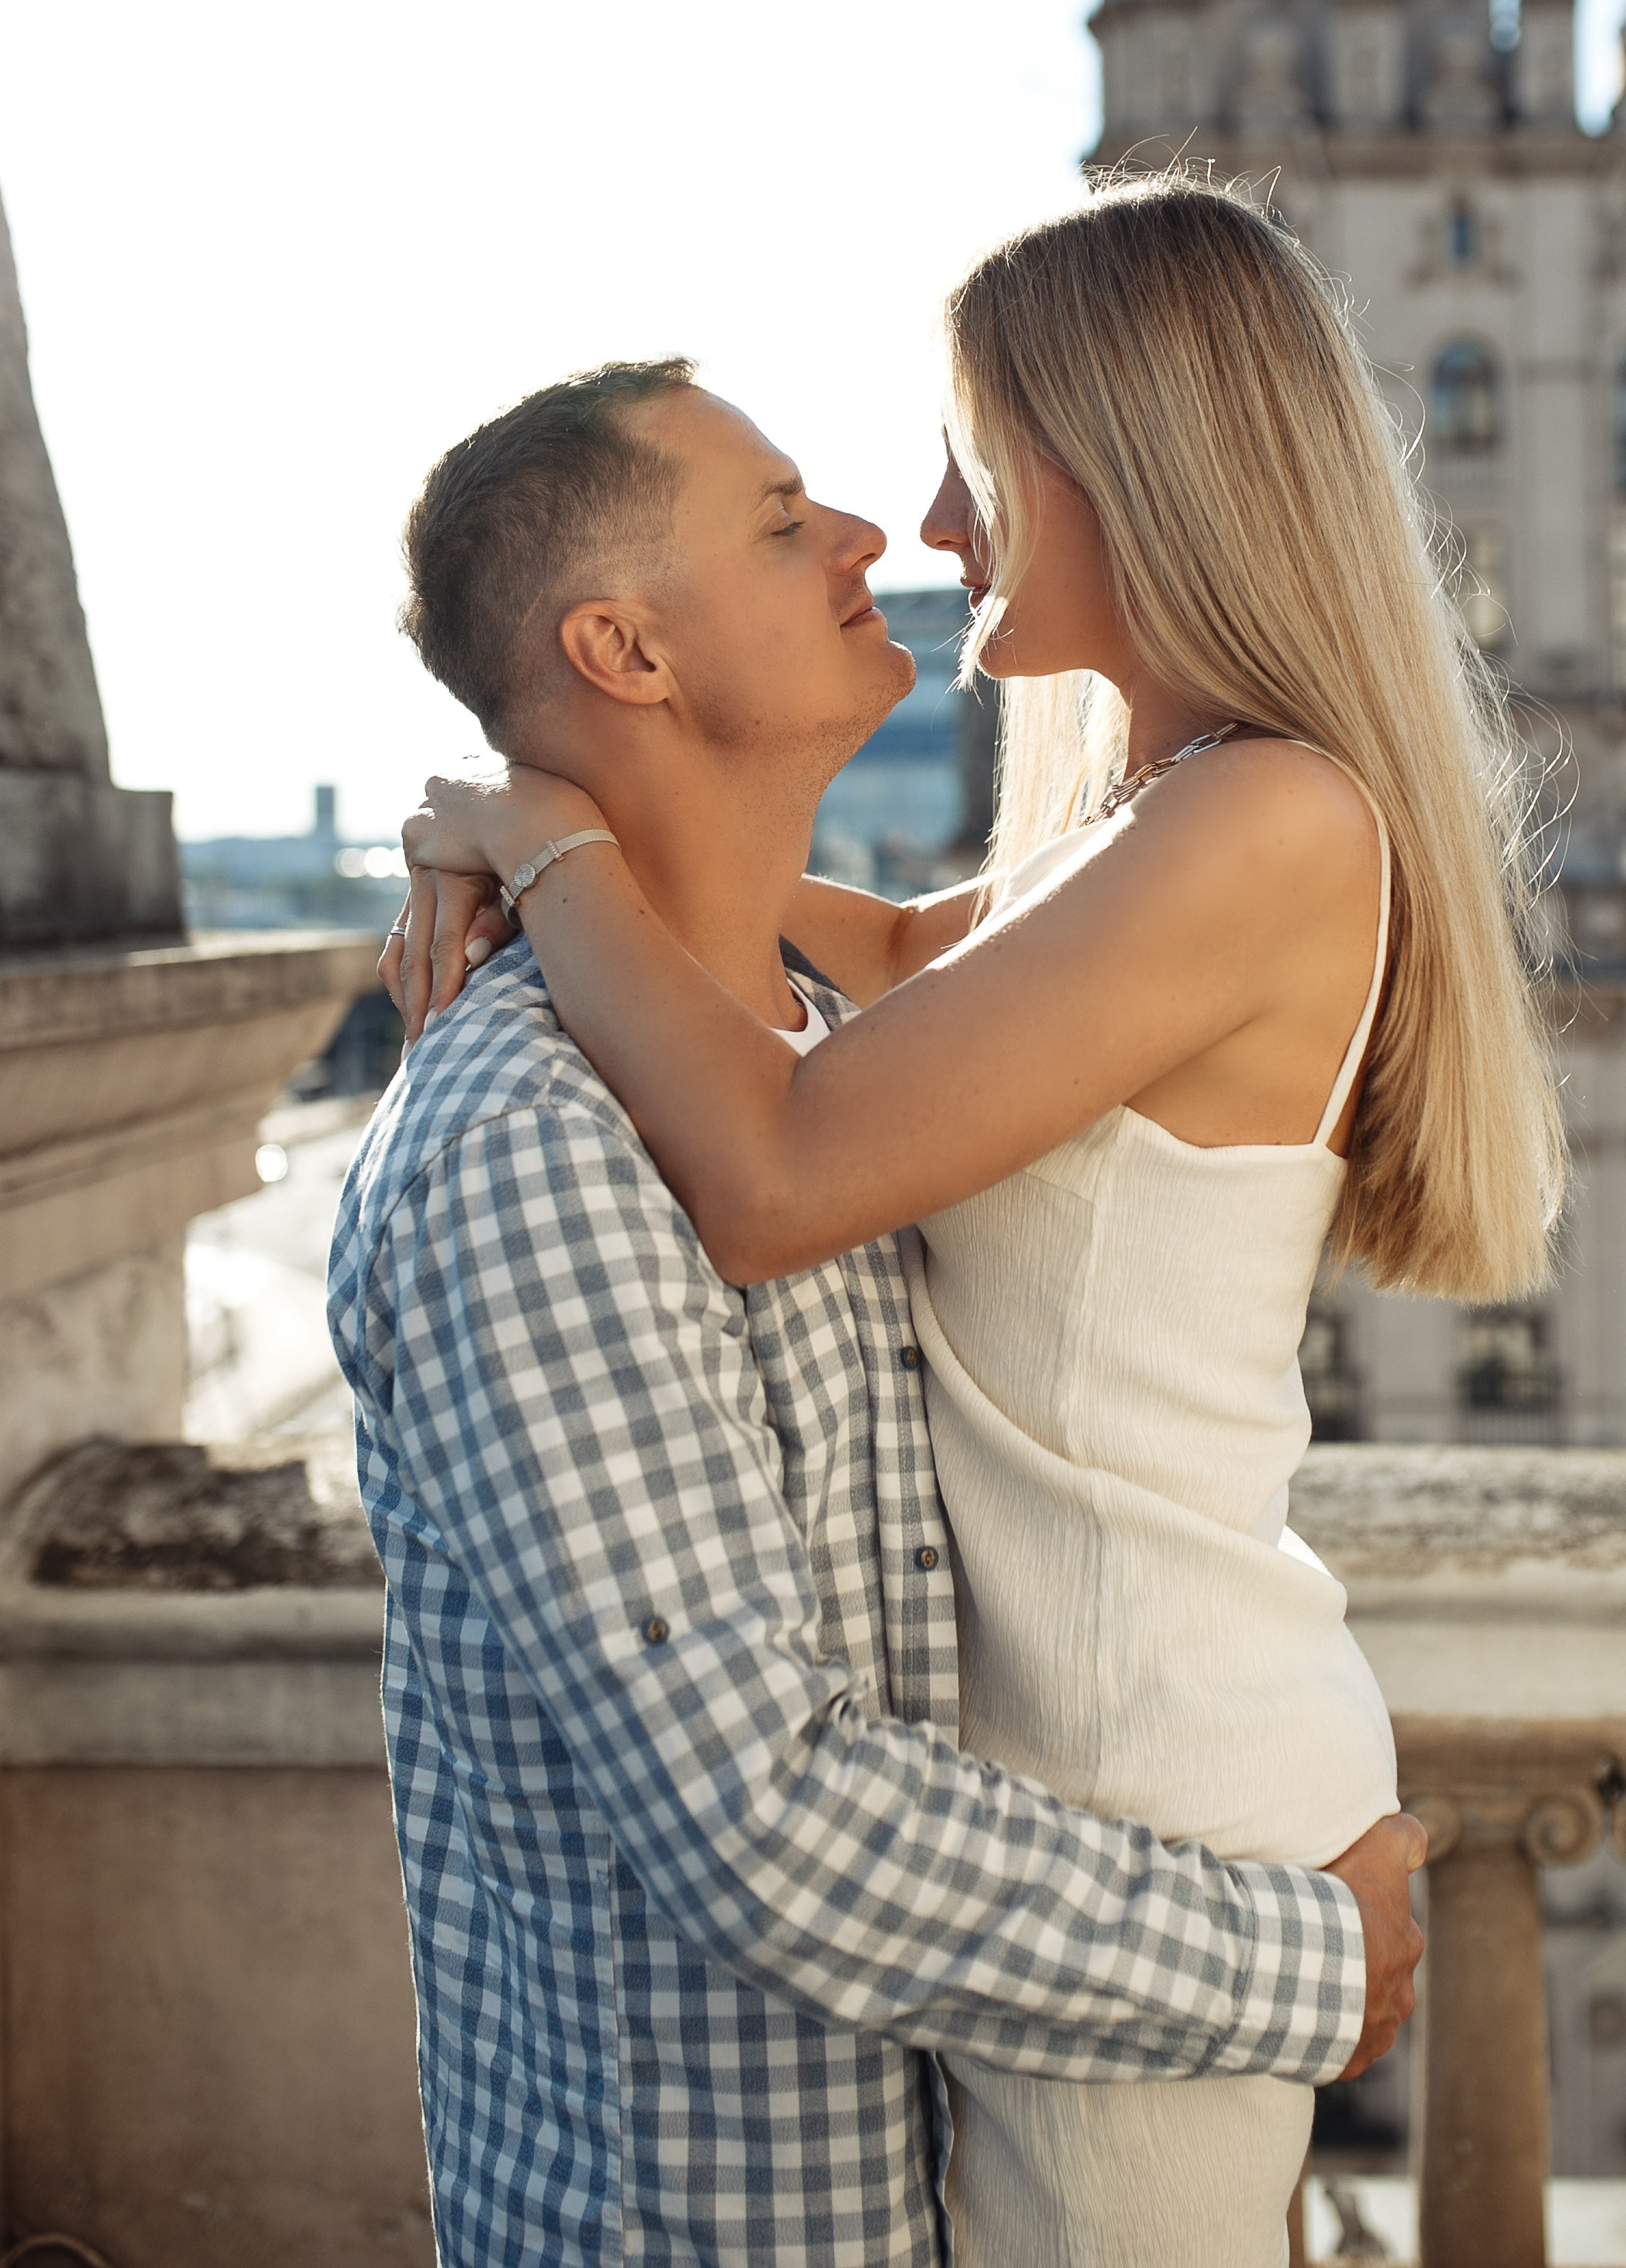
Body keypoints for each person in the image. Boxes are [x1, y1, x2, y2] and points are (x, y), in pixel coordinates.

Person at [395, 177, 1562, 2266]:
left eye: (970, 458)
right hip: (1084, 1782)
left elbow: (771, 1170)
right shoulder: (1167, 820)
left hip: (1155, 1779)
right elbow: (869, 937)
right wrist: (519, 813)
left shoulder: (1266, 819)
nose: (925, 529)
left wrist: (558, 845)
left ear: (1125, 461)